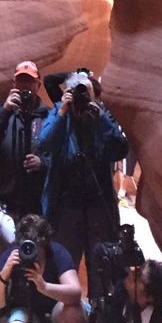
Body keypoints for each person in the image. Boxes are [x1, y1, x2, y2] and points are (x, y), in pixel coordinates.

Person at [37, 70, 129, 279]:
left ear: (94, 95)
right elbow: (45, 144)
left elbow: (120, 150)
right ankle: (66, 308)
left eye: (85, 92)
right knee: (64, 264)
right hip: (66, 205)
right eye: (76, 91)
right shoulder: (60, 112)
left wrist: (101, 120)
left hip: (98, 204)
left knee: (102, 266)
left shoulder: (101, 116)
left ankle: (101, 308)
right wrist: (62, 113)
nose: (81, 97)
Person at [0, 212, 85, 323]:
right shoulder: (10, 256)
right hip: (24, 313)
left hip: (57, 315)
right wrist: (5, 272)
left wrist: (44, 287)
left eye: (36, 249)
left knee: (73, 311)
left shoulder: (57, 252)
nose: (31, 253)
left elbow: (75, 293)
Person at [0, 60, 50, 219]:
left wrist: (43, 163)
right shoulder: (0, 112)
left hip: (36, 202)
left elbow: (60, 153)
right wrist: (5, 110)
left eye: (30, 81)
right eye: (21, 81)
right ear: (13, 84)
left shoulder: (48, 116)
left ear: (38, 84)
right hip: (5, 200)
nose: (25, 86)